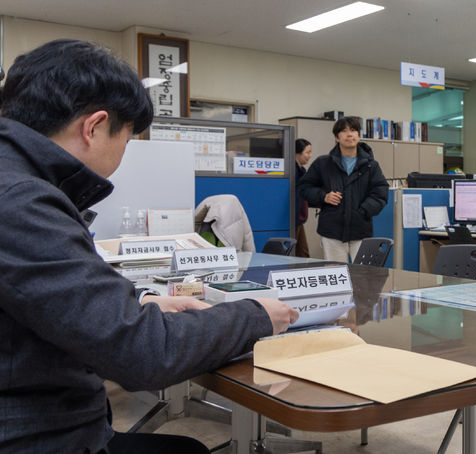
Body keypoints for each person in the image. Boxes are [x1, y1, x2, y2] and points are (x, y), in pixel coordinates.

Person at [0, 39, 298, 454]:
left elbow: (50, 300)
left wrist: (140, 302)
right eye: (127, 138)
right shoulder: (21, 201)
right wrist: (254, 316)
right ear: (94, 126)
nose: (126, 152)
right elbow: (143, 354)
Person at [298, 117, 389, 262]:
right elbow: (304, 187)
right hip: (332, 231)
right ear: (336, 138)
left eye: (353, 130)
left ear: (358, 136)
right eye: (344, 131)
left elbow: (381, 192)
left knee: (363, 277)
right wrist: (323, 196)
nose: (350, 134)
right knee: (336, 277)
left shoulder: (371, 166)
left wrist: (363, 211)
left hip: (361, 230)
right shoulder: (323, 163)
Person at [294, 138, 312, 257]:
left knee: (303, 253)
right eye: (307, 152)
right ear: (297, 153)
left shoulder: (302, 171)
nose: (310, 156)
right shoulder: (293, 172)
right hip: (293, 220)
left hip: (299, 220)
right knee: (299, 253)